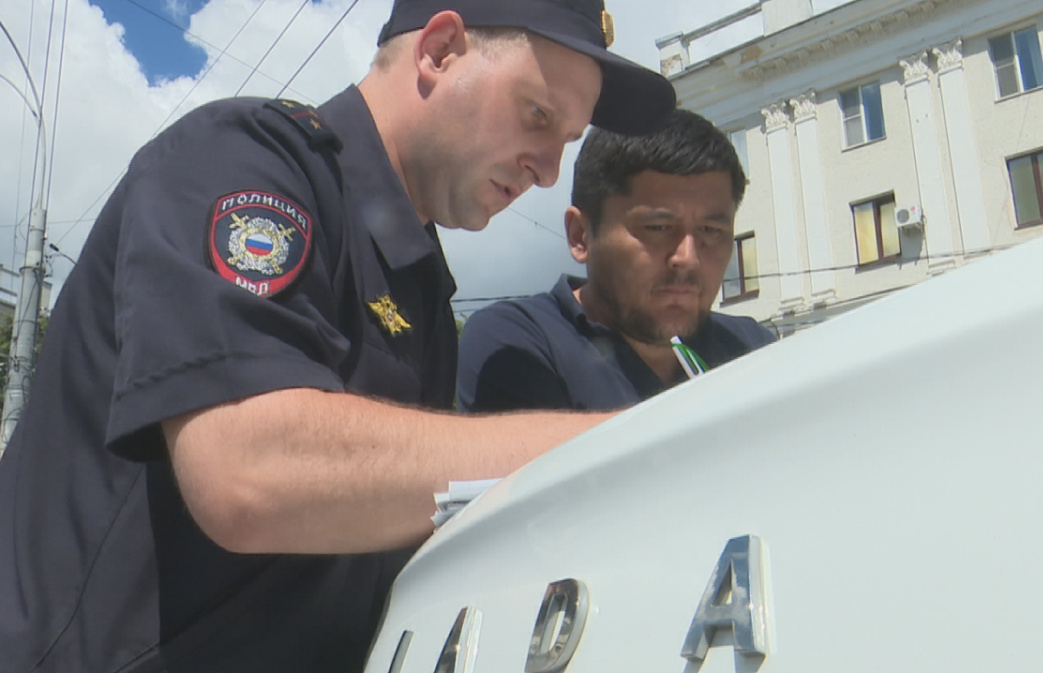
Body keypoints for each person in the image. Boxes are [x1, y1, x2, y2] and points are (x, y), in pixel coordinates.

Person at [0, 1, 675, 671]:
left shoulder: (422, 287)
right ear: (440, 51)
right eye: (538, 114)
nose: (549, 171)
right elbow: (250, 470)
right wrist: (615, 445)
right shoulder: (243, 157)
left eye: (567, 141)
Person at [457, 108, 776, 413]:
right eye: (658, 228)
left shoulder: (751, 348)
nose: (688, 258)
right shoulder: (517, 344)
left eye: (710, 230)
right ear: (581, 235)